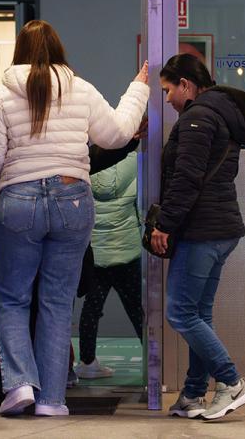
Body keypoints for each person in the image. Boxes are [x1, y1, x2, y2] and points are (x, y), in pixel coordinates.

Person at [0, 20, 147, 417]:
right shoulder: (80, 89)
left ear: (19, 51)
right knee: (57, 301)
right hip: (73, 198)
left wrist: (10, 183)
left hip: (19, 200)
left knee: (14, 298)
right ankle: (52, 399)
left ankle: (18, 385)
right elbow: (118, 133)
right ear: (58, 50)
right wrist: (138, 88)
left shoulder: (0, 96)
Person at [152, 53, 245, 422]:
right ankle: (194, 394)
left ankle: (231, 382)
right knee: (198, 312)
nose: (167, 99)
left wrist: (164, 224)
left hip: (203, 230)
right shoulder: (222, 114)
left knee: (180, 312)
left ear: (186, 85)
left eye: (168, 90)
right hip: (220, 229)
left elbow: (187, 178)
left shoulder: (198, 116)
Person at [75, 150, 145, 380]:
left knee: (91, 309)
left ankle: (87, 363)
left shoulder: (86, 161)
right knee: (137, 310)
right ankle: (154, 361)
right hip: (127, 250)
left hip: (96, 252)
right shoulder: (136, 162)